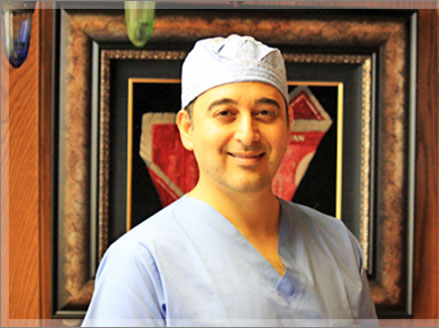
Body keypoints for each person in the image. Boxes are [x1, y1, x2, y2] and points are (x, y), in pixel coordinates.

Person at [82, 34, 377, 327]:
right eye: (225, 113)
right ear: (187, 129)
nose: (248, 134)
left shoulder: (337, 244)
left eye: (264, 113)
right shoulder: (141, 262)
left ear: (288, 124)